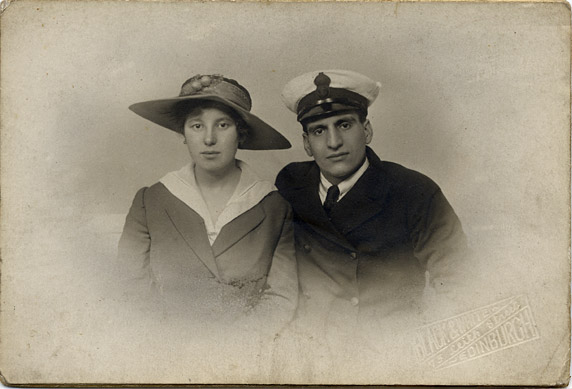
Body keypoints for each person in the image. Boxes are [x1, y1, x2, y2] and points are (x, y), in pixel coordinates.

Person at [275, 70, 468, 372]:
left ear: (366, 130)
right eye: (319, 131)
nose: (334, 141)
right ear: (306, 143)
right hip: (311, 359)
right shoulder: (292, 185)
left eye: (344, 124)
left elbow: (460, 283)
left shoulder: (413, 191)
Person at [118, 74, 298, 339]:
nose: (209, 139)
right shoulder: (150, 201)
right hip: (163, 350)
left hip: (245, 354)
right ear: (183, 133)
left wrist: (230, 348)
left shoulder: (273, 207)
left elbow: (282, 296)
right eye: (197, 126)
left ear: (241, 134)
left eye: (223, 125)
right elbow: (130, 285)